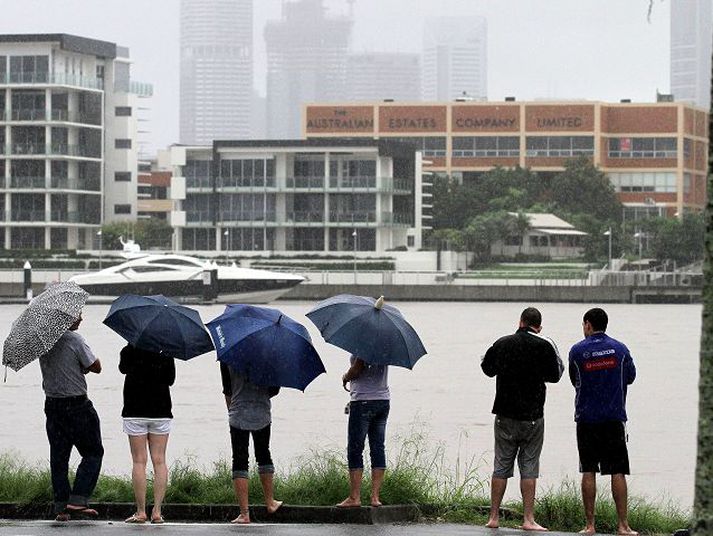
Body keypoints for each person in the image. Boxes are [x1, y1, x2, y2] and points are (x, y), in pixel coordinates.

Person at [481, 307, 563, 531]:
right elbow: (555, 376)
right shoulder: (544, 344)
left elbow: (487, 369)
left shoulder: (503, 343)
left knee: (501, 465)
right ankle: (528, 519)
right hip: (533, 416)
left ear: (520, 322)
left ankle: (494, 517)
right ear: (539, 327)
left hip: (505, 414)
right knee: (529, 467)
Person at [569, 308, 637, 536]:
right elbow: (631, 377)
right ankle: (623, 525)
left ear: (588, 325)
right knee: (618, 470)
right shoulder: (621, 350)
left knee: (588, 470)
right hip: (613, 417)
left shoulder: (577, 351)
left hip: (587, 418)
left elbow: (574, 380)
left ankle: (590, 526)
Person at [39, 313, 104, 522]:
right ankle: (78, 499)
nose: (82, 318)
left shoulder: (43, 341)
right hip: (76, 405)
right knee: (93, 452)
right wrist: (90, 364)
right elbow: (96, 366)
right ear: (64, 318)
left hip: (52, 404)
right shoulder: (74, 339)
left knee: (59, 457)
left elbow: (62, 366)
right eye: (77, 315)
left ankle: (61, 506)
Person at [119, 344, 176, 524]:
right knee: (159, 460)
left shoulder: (129, 350)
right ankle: (157, 512)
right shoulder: (166, 351)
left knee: (138, 461)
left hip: (135, 409)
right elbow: (170, 379)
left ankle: (141, 511)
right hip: (160, 409)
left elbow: (123, 369)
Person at [221, 362, 283, 524]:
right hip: (262, 412)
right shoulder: (268, 356)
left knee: (240, 459)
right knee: (263, 454)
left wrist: (232, 410)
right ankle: (270, 502)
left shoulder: (228, 356)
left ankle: (244, 513)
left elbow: (227, 390)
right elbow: (274, 390)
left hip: (237, 413)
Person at [337, 355, 390, 508]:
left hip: (363, 401)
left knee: (355, 449)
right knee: (378, 448)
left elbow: (357, 369)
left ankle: (355, 497)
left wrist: (346, 377)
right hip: (383, 400)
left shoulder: (364, 344)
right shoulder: (386, 345)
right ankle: (375, 497)